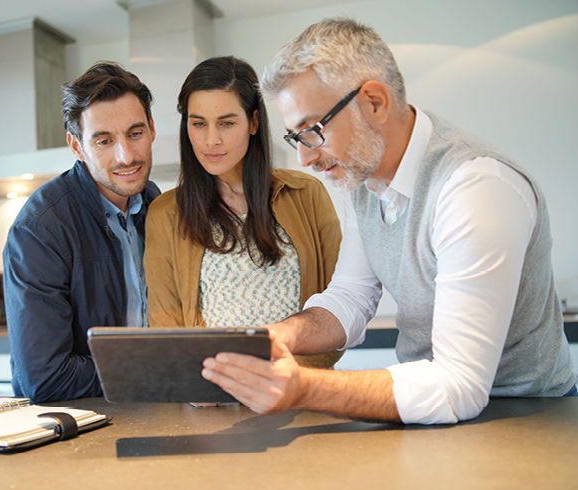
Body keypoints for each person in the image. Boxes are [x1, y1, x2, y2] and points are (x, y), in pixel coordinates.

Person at [200, 18, 576, 424]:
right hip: (430, 407)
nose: (304, 159)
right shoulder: (363, 177)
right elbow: (350, 297)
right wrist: (281, 335)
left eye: (311, 131)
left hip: (525, 417)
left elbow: (458, 386)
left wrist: (302, 388)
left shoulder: (474, 186)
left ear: (374, 102)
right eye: (296, 138)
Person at [144, 56, 343, 369]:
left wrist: (287, 379)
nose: (211, 140)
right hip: (212, 402)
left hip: (301, 393)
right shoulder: (165, 215)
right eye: (198, 124)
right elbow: (166, 332)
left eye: (226, 123)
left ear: (253, 122)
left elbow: (339, 308)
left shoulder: (306, 195)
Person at [3, 62, 160, 402]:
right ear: (77, 147)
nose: (126, 156)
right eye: (104, 140)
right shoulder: (40, 229)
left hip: (159, 409)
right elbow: (45, 378)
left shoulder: (156, 204)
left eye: (135, 134)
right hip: (82, 425)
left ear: (151, 129)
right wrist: (157, 371)